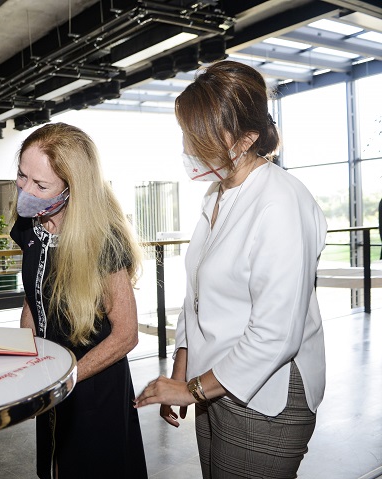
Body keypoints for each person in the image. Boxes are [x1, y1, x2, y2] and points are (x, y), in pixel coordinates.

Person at [134, 60, 327, 478]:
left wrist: (190, 390)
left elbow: (276, 334)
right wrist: (181, 373)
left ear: (246, 139)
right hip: (213, 382)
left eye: (199, 135)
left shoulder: (279, 202)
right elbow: (196, 296)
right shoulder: (217, 194)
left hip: (265, 395)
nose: (189, 146)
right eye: (187, 133)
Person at [9, 123, 148, 478]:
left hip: (94, 383)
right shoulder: (30, 226)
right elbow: (33, 297)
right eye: (22, 176)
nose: (26, 191)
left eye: (41, 185)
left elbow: (126, 334)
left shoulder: (103, 238)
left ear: (73, 188)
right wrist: (27, 355)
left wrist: (67, 377)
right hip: (51, 381)